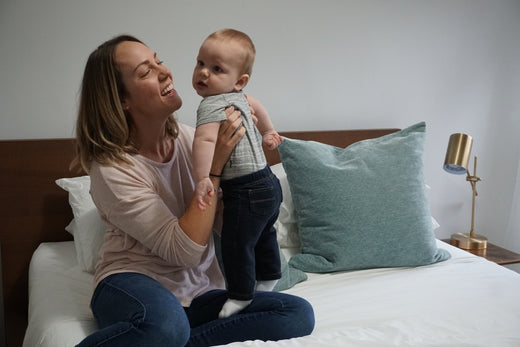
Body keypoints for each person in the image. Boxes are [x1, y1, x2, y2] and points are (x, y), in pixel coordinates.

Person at [73, 34, 314, 347]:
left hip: (197, 291)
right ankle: (166, 336)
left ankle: (173, 340)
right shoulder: (112, 169)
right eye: (145, 72)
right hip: (132, 282)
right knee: (164, 327)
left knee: (295, 313)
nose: (165, 72)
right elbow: (184, 251)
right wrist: (214, 170)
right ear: (121, 100)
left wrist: (250, 186)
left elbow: (225, 226)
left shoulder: (194, 139)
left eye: (158, 60)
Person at [191, 29, 284, 318]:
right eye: (200, 63)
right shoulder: (242, 98)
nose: (204, 73)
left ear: (239, 80)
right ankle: (269, 274)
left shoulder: (209, 106)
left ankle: (241, 295)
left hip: (246, 190)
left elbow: (204, 141)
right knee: (264, 233)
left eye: (216, 68)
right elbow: (258, 107)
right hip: (270, 183)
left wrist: (202, 177)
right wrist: (268, 131)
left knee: (236, 243)